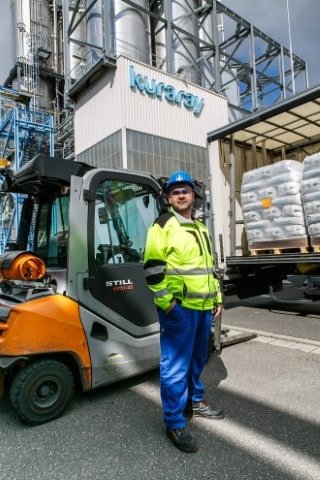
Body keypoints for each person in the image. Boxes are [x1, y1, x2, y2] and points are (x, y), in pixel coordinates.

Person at [143, 170, 224, 453]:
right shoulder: (162, 225)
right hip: (179, 309)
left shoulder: (200, 228)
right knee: (175, 366)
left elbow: (208, 268)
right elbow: (152, 270)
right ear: (168, 197)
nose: (180, 194)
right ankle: (174, 421)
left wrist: (217, 297)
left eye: (185, 190)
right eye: (175, 191)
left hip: (203, 308)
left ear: (193, 195)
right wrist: (168, 305)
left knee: (198, 359)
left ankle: (195, 402)